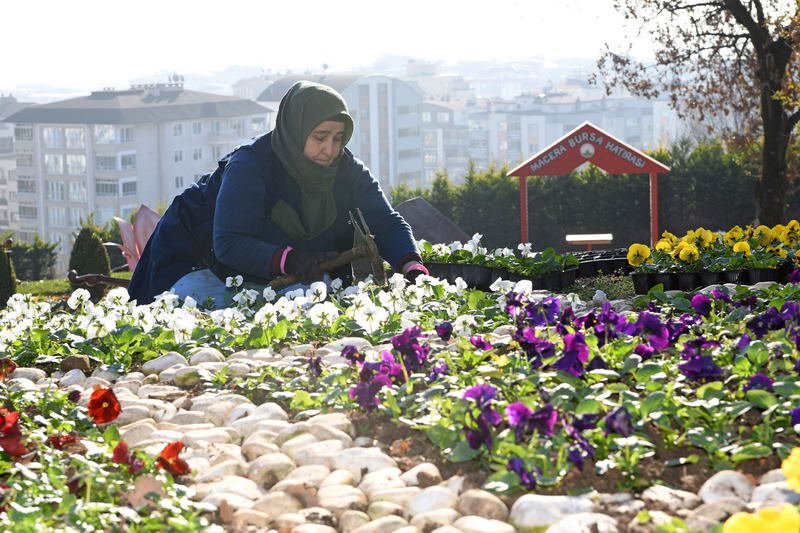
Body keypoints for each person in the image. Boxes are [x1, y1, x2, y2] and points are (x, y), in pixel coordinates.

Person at [128, 81, 428, 307]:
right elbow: (229, 243)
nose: (330, 149)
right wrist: (291, 259)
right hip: (203, 264)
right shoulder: (250, 165)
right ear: (296, 130)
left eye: (338, 138)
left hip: (276, 275)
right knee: (191, 311)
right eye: (320, 137)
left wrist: (410, 264)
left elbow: (387, 223)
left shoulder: (346, 169)